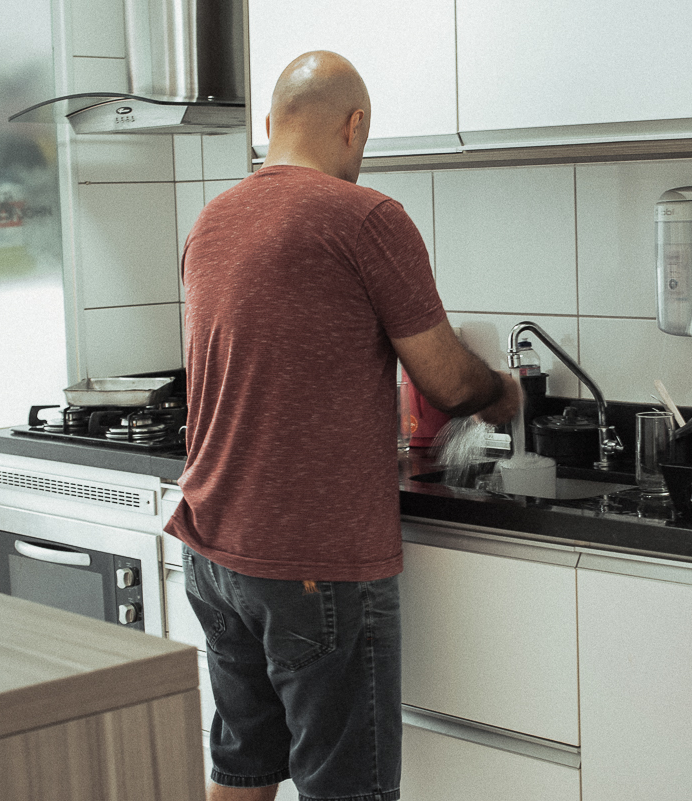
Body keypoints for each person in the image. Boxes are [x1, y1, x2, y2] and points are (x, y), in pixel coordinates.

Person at [164, 50, 521, 801]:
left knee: (242, 769)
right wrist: (501, 392)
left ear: (269, 125)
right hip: (311, 559)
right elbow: (446, 379)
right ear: (355, 125)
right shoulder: (367, 218)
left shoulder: (211, 220)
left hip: (214, 549)